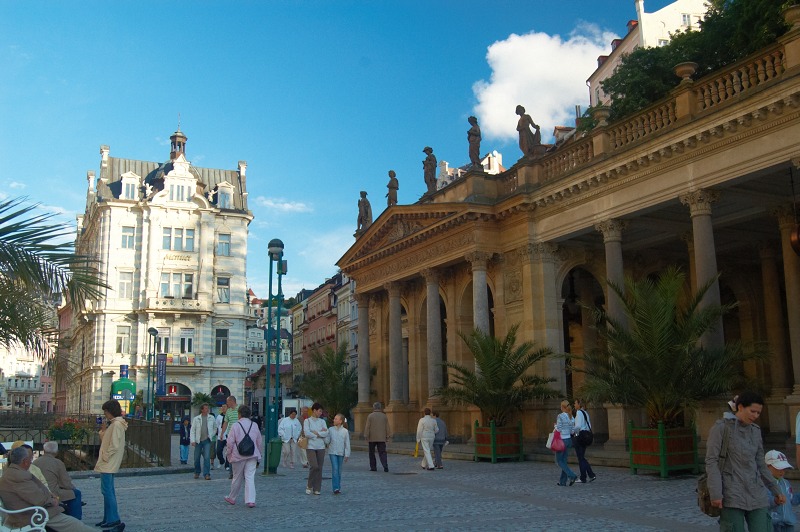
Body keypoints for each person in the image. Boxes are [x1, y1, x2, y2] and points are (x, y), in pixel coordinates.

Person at [706, 391, 785, 531]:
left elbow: (761, 463)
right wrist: (716, 493)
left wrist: (776, 490)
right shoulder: (721, 428)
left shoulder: (755, 431)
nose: (755, 416)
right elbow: (712, 461)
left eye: (758, 413)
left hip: (757, 494)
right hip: (731, 493)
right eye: (752, 411)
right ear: (740, 407)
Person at [0, 446, 94, 532]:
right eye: (30, 460)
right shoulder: (19, 476)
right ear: (25, 461)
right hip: (33, 515)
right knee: (75, 525)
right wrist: (53, 500)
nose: (31, 462)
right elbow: (38, 499)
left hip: (28, 512)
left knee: (70, 520)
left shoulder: (10, 473)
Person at [94, 399, 127, 532]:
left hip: (109, 462)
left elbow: (114, 445)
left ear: (110, 411)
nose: (105, 415)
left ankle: (113, 518)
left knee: (107, 491)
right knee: (107, 491)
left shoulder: (117, 425)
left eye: (106, 412)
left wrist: (105, 457)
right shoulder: (115, 424)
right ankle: (108, 517)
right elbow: (107, 441)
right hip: (109, 462)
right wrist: (103, 431)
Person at [224, 405, 263, 508]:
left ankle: (232, 498)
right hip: (252, 454)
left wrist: (229, 454)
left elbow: (230, 442)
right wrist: (259, 453)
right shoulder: (254, 425)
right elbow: (259, 441)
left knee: (237, 477)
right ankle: (250, 500)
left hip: (238, 455)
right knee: (250, 477)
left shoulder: (235, 425)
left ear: (239, 414)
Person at [34, 441, 84, 520]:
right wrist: (73, 488)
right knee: (76, 493)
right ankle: (76, 519)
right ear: (56, 452)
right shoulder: (58, 463)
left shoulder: (35, 462)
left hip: (38, 491)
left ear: (44, 450)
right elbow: (65, 483)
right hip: (53, 492)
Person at [764, 450, 800, 531]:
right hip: (773, 523)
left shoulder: (785, 483)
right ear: (767, 467)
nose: (782, 471)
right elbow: (763, 502)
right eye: (778, 468)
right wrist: (775, 501)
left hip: (788, 523)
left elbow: (791, 500)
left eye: (784, 468)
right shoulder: (764, 483)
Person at [304, 402, 329, 496]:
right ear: (314, 410)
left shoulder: (322, 422)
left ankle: (317, 488)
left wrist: (316, 433)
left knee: (320, 468)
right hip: (310, 446)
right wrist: (318, 434)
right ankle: (309, 485)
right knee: (314, 466)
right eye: (319, 411)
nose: (320, 413)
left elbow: (326, 433)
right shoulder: (308, 421)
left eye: (321, 411)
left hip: (321, 447)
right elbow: (307, 433)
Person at [572, 399, 596, 483]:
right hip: (586, 435)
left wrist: (573, 432)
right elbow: (589, 424)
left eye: (575, 403)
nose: (574, 405)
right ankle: (587, 475)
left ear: (579, 404)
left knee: (580, 457)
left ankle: (587, 476)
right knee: (581, 457)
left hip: (580, 436)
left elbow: (578, 426)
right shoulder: (585, 413)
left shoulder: (578, 413)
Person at [554, 399, 578, 486]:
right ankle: (562, 481)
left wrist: (555, 426)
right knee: (564, 461)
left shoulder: (560, 416)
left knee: (559, 461)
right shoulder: (571, 417)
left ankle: (572, 475)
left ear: (562, 407)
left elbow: (559, 429)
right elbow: (572, 431)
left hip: (561, 440)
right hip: (568, 440)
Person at [191, 403, 216, 480]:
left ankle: (206, 474)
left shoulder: (211, 418)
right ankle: (197, 472)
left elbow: (215, 428)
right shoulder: (196, 419)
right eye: (205, 408)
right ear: (202, 410)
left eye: (207, 408)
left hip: (207, 440)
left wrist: (211, 435)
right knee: (196, 458)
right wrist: (193, 440)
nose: (207, 410)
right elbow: (192, 430)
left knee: (207, 457)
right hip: (198, 440)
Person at [364, 402, 391, 472]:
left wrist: (366, 435)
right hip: (382, 437)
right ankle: (385, 465)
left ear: (374, 407)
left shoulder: (370, 416)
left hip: (372, 438)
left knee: (371, 453)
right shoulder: (384, 416)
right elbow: (387, 426)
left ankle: (373, 467)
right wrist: (388, 435)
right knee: (382, 452)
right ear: (380, 408)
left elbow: (367, 427)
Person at [327, 414, 351, 495]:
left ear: (340, 421)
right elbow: (327, 441)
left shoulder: (345, 431)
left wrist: (347, 454)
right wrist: (325, 434)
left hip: (341, 452)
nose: (334, 420)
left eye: (336, 419)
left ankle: (338, 486)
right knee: (335, 469)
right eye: (334, 418)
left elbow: (347, 443)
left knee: (339, 470)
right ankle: (335, 488)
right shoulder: (330, 430)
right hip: (332, 452)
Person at [221, 395, 239, 479]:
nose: (226, 403)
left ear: (232, 401)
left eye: (227, 402)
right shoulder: (228, 411)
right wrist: (222, 433)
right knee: (231, 453)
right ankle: (231, 472)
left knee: (239, 453)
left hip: (239, 435)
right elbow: (225, 423)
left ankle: (239, 471)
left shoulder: (240, 409)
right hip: (230, 435)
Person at [215, 403, 228, 470]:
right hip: (221, 436)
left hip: (228, 435)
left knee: (228, 451)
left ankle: (227, 465)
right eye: (222, 407)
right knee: (218, 451)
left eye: (224, 406)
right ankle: (222, 461)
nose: (223, 408)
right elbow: (217, 426)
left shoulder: (229, 416)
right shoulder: (219, 417)